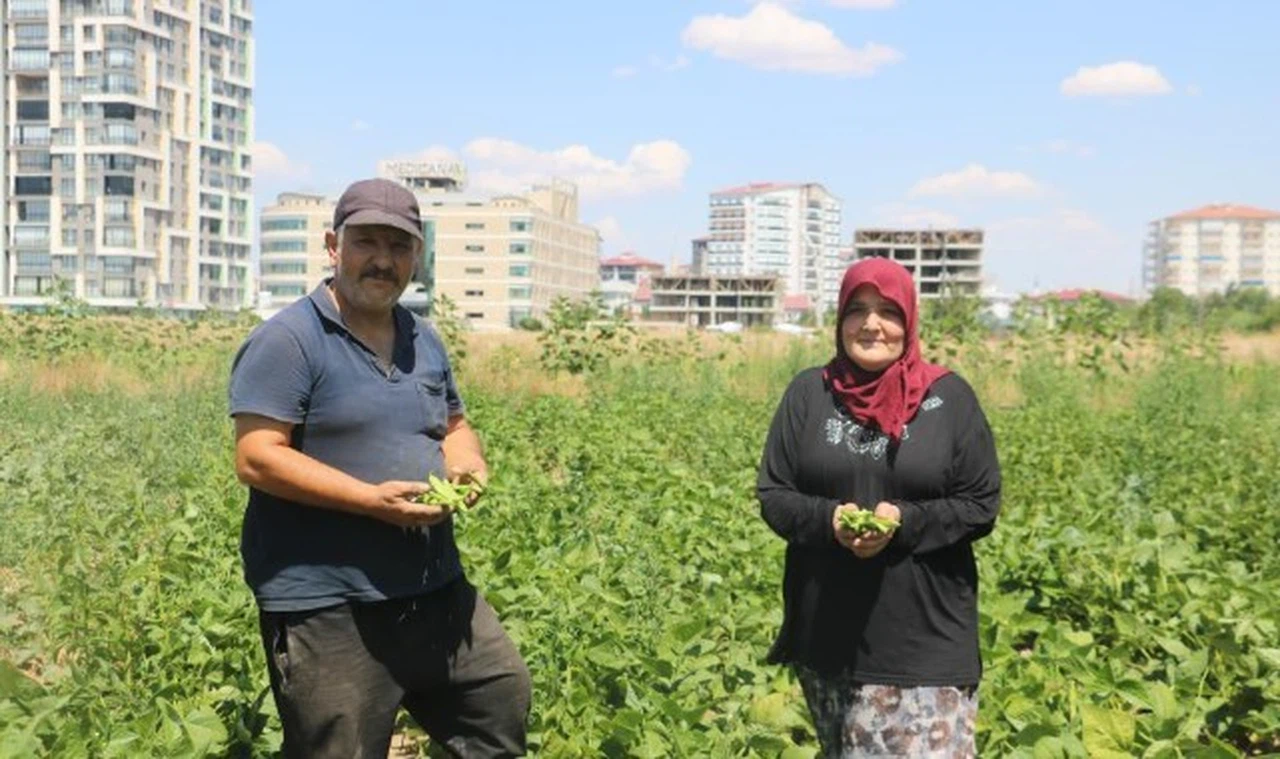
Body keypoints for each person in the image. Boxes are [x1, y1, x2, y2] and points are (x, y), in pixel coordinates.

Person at [229, 178, 531, 758]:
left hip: (434, 589)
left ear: (417, 257)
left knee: (498, 700)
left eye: (400, 247)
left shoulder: (423, 337)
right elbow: (258, 457)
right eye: (368, 242)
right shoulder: (289, 341)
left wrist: (468, 466)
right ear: (332, 245)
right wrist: (368, 501)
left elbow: (455, 425)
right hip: (330, 607)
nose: (384, 260)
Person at [757, 257, 1001, 758]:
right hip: (829, 638)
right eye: (858, 310)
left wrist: (905, 522)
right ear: (840, 318)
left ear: (908, 320)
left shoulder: (948, 398)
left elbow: (980, 502)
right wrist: (830, 522)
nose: (872, 324)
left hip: (923, 640)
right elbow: (775, 493)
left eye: (888, 311)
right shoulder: (810, 393)